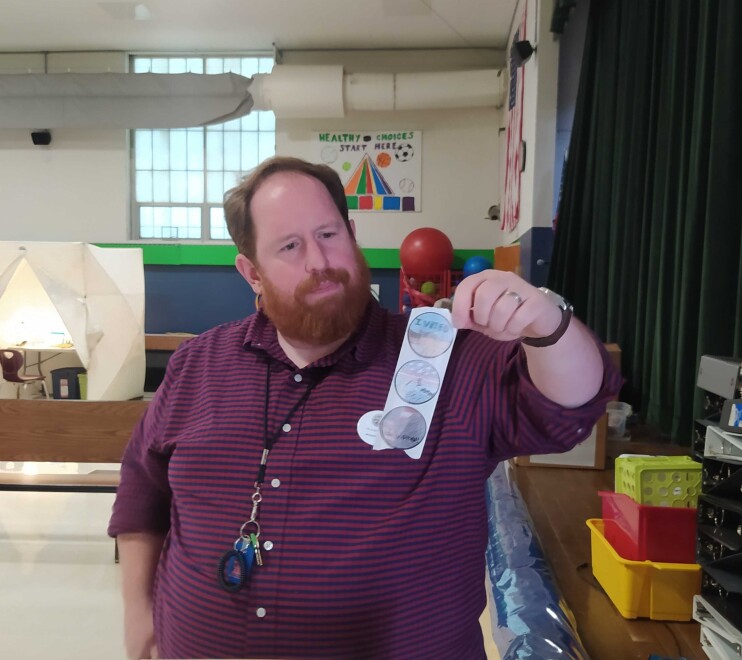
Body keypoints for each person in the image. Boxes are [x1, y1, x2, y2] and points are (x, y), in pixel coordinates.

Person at [109, 156, 622, 659]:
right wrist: (138, 610)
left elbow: (569, 406)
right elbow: (142, 485)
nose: (319, 261)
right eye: (289, 246)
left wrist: (546, 322)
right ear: (252, 272)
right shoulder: (199, 363)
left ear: (352, 235)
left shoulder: (441, 357)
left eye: (329, 234)